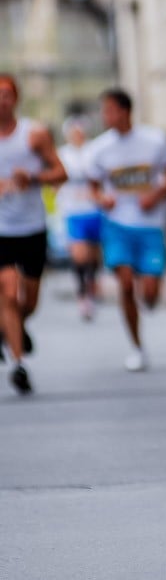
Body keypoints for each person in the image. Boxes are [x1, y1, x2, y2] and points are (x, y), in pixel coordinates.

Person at [86, 88, 166, 372]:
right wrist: (103, 199)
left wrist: (156, 195)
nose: (105, 116)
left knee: (149, 294)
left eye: (109, 110)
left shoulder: (154, 140)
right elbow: (93, 186)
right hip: (117, 226)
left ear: (125, 111)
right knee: (125, 284)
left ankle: (147, 299)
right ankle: (137, 347)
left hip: (150, 227)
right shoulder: (98, 149)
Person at [0, 73, 67, 394]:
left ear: (16, 98)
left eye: (7, 94)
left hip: (32, 227)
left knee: (29, 300)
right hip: (1, 230)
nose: (2, 100)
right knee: (9, 294)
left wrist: (34, 177)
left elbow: (61, 173)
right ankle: (19, 364)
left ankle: (11, 328)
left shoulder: (34, 135)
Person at [57, 115, 102, 320]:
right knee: (79, 256)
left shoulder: (93, 152)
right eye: (73, 133)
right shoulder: (62, 155)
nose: (77, 136)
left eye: (80, 132)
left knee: (93, 257)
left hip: (94, 210)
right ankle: (82, 292)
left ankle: (92, 285)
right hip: (73, 212)